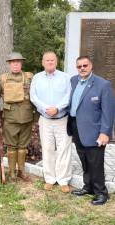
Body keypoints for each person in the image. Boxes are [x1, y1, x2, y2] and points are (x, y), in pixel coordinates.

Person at [68, 56, 115, 205]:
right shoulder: (73, 81)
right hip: (76, 127)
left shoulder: (103, 85)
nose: (82, 68)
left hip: (94, 131)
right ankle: (88, 187)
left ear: (91, 66)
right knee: (84, 160)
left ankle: (101, 193)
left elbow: (108, 112)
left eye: (85, 65)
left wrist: (105, 132)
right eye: (79, 66)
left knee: (96, 162)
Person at [30, 51, 72, 193]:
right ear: (43, 62)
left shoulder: (65, 77)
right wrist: (45, 108)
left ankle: (63, 180)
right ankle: (49, 179)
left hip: (62, 119)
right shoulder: (37, 78)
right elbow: (33, 96)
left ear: (56, 62)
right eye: (47, 60)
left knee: (63, 149)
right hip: (45, 119)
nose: (49, 62)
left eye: (52, 60)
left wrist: (57, 108)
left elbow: (69, 96)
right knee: (47, 149)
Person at [0, 52, 34, 182]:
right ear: (9, 64)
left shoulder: (30, 77)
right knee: (11, 147)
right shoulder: (2, 79)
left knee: (23, 147)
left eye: (18, 62)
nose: (16, 64)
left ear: (21, 63)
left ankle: (21, 171)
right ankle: (12, 172)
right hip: (10, 118)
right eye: (13, 62)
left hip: (27, 118)